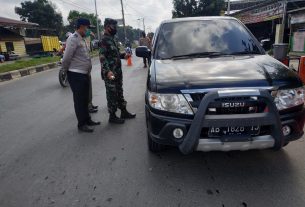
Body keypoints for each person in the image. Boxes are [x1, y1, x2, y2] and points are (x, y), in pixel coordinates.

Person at [62, 18, 100, 133]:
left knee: (85, 99)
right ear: (82, 26)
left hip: (84, 74)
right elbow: (67, 57)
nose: (88, 30)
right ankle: (81, 124)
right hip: (76, 74)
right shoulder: (73, 39)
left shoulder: (82, 39)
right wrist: (65, 70)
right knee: (79, 101)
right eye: (87, 27)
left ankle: (88, 120)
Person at [99, 18, 136, 124]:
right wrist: (107, 71)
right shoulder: (104, 40)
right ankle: (112, 116)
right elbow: (102, 57)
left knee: (119, 92)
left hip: (117, 71)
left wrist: (124, 55)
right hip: (110, 73)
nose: (115, 29)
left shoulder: (112, 39)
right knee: (112, 94)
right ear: (107, 27)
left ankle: (123, 111)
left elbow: (115, 54)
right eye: (113, 27)